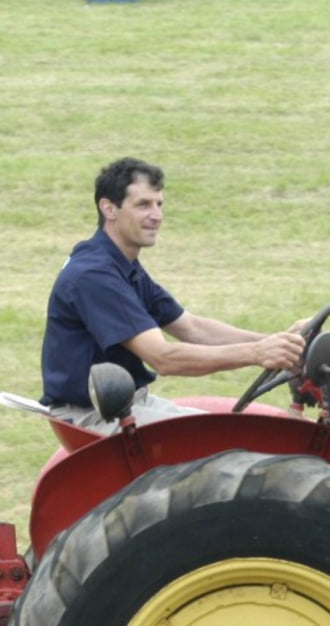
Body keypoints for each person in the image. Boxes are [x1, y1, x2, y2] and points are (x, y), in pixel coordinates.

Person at [41, 159, 307, 433]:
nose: (156, 215)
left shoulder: (122, 265)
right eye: (143, 205)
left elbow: (192, 328)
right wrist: (257, 352)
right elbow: (164, 358)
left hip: (131, 403)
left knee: (241, 434)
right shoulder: (94, 275)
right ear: (109, 208)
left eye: (159, 204)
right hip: (94, 416)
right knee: (229, 442)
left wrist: (279, 342)